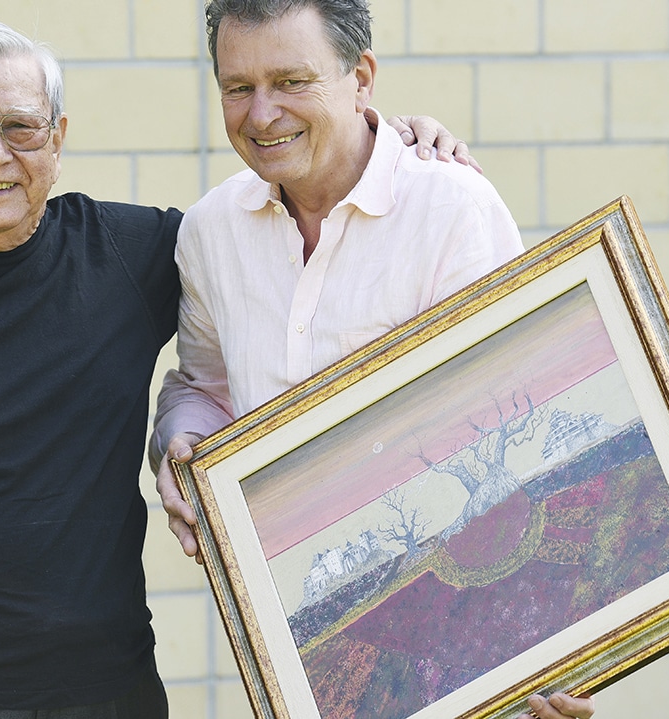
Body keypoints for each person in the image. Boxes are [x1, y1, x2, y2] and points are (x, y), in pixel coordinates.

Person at [0, 17, 478, 719]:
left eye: (21, 128)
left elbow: (283, 225)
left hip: (110, 695)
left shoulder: (130, 253)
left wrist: (387, 142)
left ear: (57, 141)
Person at [148, 2, 596, 719]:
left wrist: (543, 643)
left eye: (292, 80)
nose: (262, 114)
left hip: (465, 634)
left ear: (361, 79)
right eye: (238, 87)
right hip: (308, 648)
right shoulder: (210, 230)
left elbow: (528, 432)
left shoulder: (452, 210)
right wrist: (181, 440)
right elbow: (203, 386)